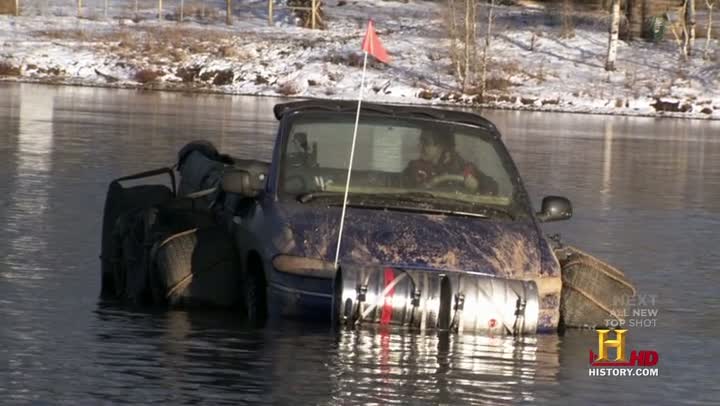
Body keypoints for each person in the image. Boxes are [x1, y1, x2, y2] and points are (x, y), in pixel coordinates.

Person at [402, 128, 498, 194]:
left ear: (442, 146)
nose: (420, 146)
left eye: (426, 143)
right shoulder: (413, 167)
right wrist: (437, 180)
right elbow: (400, 188)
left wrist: (476, 187)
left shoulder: (465, 168)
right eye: (421, 141)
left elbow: (492, 188)